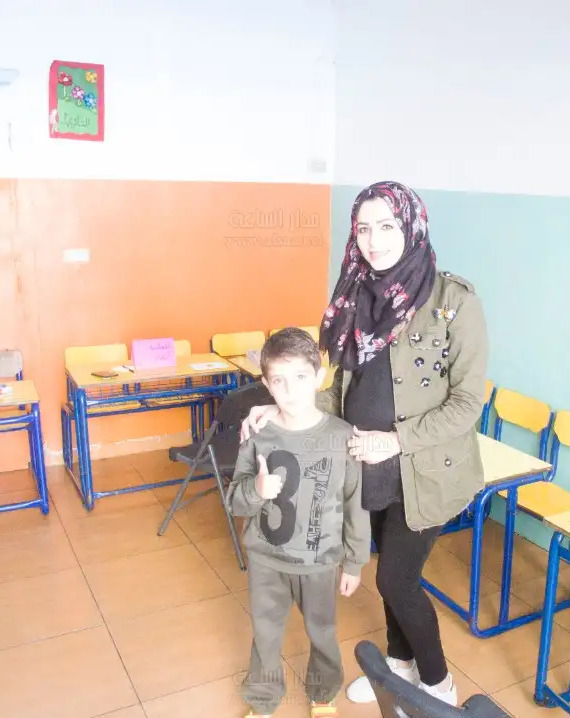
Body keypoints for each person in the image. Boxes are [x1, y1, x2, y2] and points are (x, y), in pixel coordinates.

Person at [241, 180, 489, 706]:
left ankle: (438, 684)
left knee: (397, 579)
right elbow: (336, 388)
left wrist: (395, 441)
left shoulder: (453, 301)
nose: (374, 241)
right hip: (363, 462)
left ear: (412, 226)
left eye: (387, 226)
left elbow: (468, 403)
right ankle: (399, 663)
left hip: (425, 469)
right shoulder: (355, 294)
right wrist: (281, 408)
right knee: (385, 573)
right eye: (364, 228)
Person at [229, 327, 372, 718]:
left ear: (319, 377)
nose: (290, 391)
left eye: (300, 377)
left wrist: (355, 562)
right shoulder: (257, 434)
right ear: (266, 385)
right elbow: (235, 501)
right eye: (279, 380)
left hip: (319, 562)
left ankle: (323, 694)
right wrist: (257, 489)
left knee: (323, 632)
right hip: (266, 561)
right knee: (265, 634)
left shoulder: (342, 438)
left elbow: (355, 505)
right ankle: (263, 701)